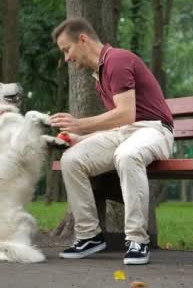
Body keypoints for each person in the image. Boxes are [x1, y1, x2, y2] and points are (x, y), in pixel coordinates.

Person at [49, 17, 174, 265]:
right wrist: (80, 137)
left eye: (67, 50)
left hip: (154, 130)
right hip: (126, 133)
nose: (66, 58)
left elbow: (126, 114)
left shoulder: (117, 60)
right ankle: (89, 236)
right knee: (72, 159)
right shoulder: (100, 76)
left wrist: (80, 123)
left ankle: (138, 240)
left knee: (127, 155)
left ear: (82, 40)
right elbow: (120, 124)